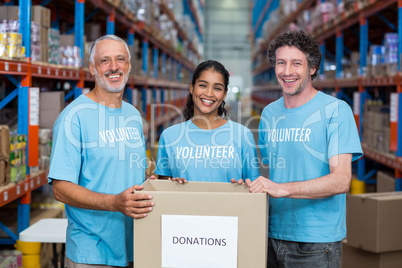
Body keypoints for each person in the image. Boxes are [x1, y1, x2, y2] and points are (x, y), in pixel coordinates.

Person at [247, 30, 363, 267]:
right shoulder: (269, 114)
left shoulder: (336, 111)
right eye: (281, 63)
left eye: (296, 63)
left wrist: (282, 189)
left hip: (315, 244)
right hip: (270, 234)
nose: (287, 71)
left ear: (311, 68)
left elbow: (341, 180)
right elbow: (273, 171)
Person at [48, 35, 155, 267]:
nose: (114, 67)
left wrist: (153, 182)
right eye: (104, 60)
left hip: (136, 245)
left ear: (129, 66)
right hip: (92, 252)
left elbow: (128, 170)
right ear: (92, 68)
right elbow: (61, 189)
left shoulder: (133, 115)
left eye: (120, 59)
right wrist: (115, 203)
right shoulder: (73, 118)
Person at [155, 60, 259, 183]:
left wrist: (243, 187)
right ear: (192, 87)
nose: (209, 93)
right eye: (203, 85)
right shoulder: (169, 136)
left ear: (224, 94)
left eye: (217, 88)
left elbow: (254, 189)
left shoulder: (242, 135)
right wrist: (172, 184)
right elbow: (164, 190)